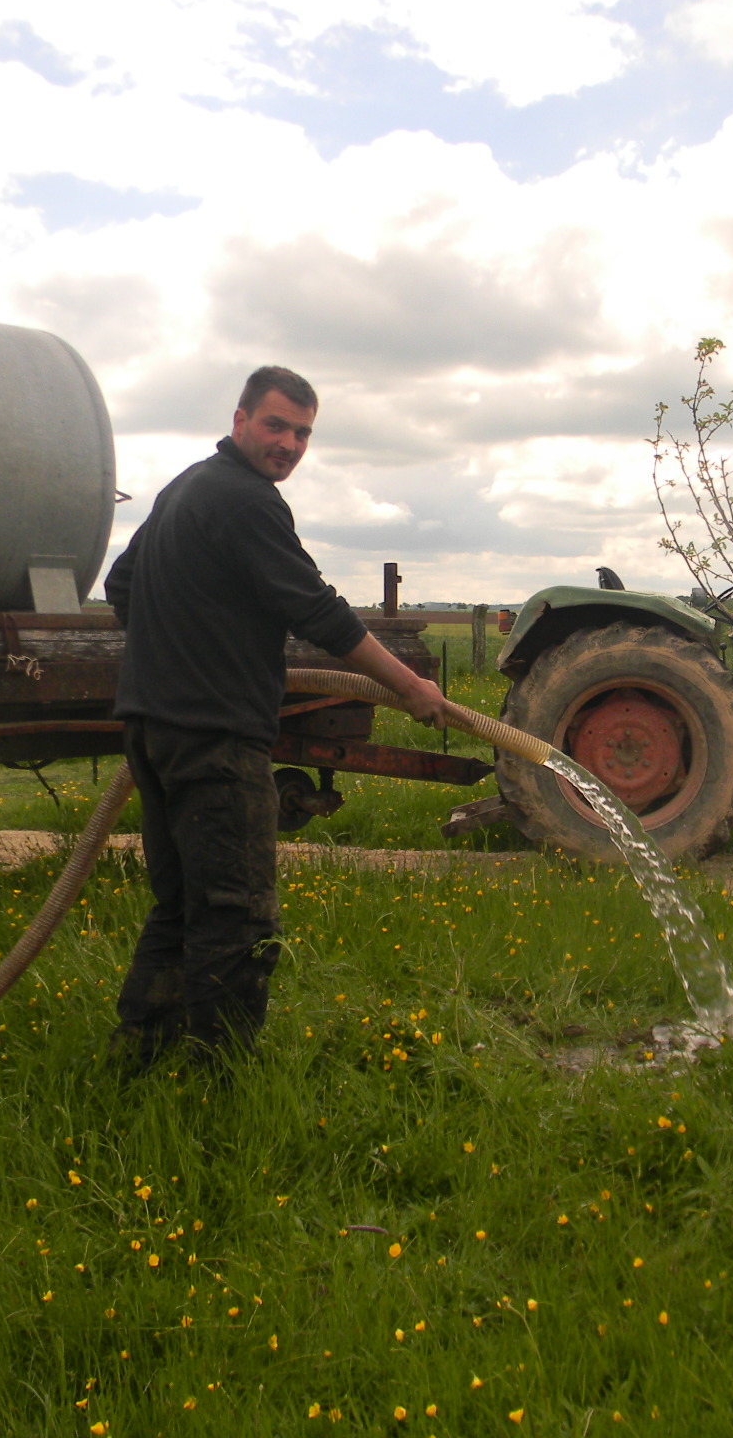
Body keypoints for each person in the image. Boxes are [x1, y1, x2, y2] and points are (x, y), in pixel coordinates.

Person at [104, 365, 448, 1063]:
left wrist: (186, 644)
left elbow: (121, 585)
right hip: (215, 739)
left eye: (303, 432)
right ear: (240, 420)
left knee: (181, 909)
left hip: (153, 728)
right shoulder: (247, 500)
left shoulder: (187, 488)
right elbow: (317, 611)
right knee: (238, 918)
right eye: (276, 424)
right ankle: (220, 1082)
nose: (289, 442)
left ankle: (134, 1058)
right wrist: (411, 686)